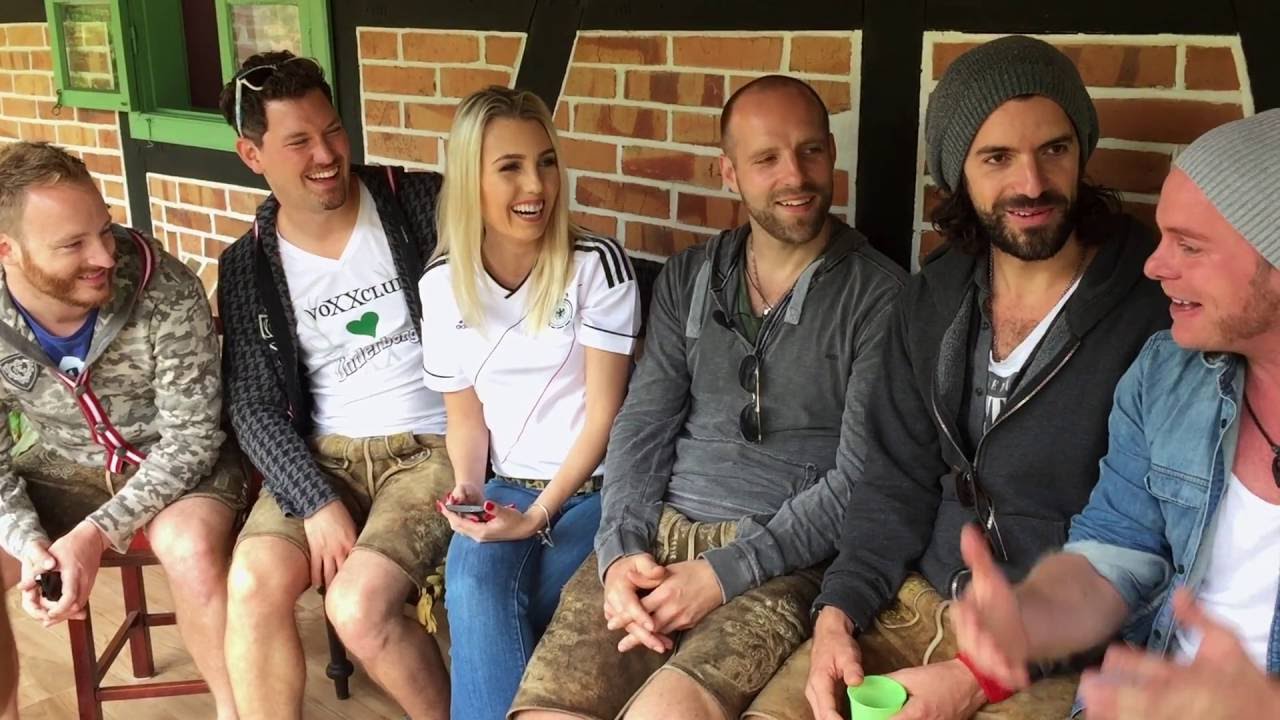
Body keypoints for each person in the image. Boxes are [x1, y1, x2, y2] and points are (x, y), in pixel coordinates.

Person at [747, 36, 1171, 720]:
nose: (1031, 183)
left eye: (1054, 149)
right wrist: (838, 610)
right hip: (918, 601)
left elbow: (1142, 541)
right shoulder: (931, 301)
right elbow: (893, 479)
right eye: (997, 157)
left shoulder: (1153, 306)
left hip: (1060, 648)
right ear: (958, 175)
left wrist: (982, 674)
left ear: (1082, 151)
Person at [510, 74, 906, 720]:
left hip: (782, 560)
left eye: (810, 151)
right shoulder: (691, 278)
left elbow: (860, 481)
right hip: (657, 543)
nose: (796, 175)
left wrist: (724, 573)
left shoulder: (879, 297)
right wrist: (620, 552)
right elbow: (642, 427)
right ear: (729, 173)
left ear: (832, 154)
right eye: (766, 158)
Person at [950, 109, 1280, 720]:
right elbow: (1116, 548)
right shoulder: (1167, 373)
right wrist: (1032, 616)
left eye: (1190, 246)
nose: (1155, 265)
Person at [216, 52, 453, 719]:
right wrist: (315, 499)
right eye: (299, 142)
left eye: (333, 131)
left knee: (356, 606)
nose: (326, 156)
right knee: (252, 582)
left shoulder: (417, 202)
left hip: (431, 448)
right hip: (324, 457)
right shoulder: (247, 264)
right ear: (252, 154)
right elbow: (253, 404)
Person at [0, 141, 245, 720]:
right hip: (64, 460)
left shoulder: (165, 287)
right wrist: (27, 541)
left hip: (176, 462)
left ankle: (237, 711)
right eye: (73, 244)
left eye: (104, 230)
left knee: (190, 550)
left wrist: (93, 535)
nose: (104, 255)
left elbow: (192, 440)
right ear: (6, 250)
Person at [419, 86, 639, 720]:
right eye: (510, 167)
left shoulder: (596, 265)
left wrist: (538, 515)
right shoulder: (441, 283)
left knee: (486, 598)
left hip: (598, 491)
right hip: (505, 486)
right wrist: (469, 491)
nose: (535, 186)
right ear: (471, 181)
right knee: (473, 580)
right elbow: (465, 419)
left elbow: (605, 417)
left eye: (545, 162)